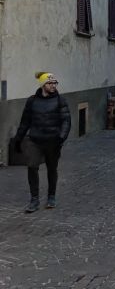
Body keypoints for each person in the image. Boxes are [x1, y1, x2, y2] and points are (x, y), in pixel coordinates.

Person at [14, 72, 71, 212]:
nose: (53, 85)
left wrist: (61, 137)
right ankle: (34, 200)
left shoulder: (60, 100)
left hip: (53, 141)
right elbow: (25, 122)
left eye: (54, 83)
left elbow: (66, 121)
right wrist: (18, 139)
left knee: (52, 168)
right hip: (35, 140)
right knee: (32, 167)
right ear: (42, 85)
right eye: (50, 83)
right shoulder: (32, 101)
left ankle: (51, 196)